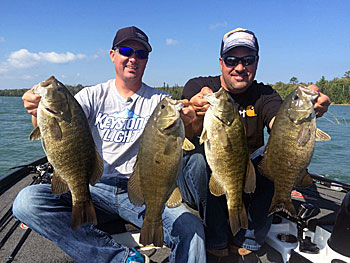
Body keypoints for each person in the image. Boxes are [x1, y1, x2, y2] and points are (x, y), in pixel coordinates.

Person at [13, 26, 206, 263]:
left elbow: (190, 127)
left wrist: (192, 117)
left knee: (192, 229)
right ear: (113, 55)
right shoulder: (90, 96)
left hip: (140, 191)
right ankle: (121, 259)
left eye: (141, 54)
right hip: (94, 185)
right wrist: (35, 110)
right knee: (26, 202)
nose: (133, 58)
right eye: (126, 51)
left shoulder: (160, 102)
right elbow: (57, 129)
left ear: (147, 60)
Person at [179, 28, 331, 263]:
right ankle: (217, 239)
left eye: (248, 60)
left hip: (245, 180)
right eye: (232, 60)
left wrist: (303, 115)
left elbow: (277, 123)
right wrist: (194, 112)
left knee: (272, 157)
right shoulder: (199, 86)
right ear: (221, 62)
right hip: (200, 183)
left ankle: (248, 239)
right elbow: (191, 130)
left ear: (256, 63)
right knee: (198, 160)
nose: (240, 67)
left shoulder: (265, 95)